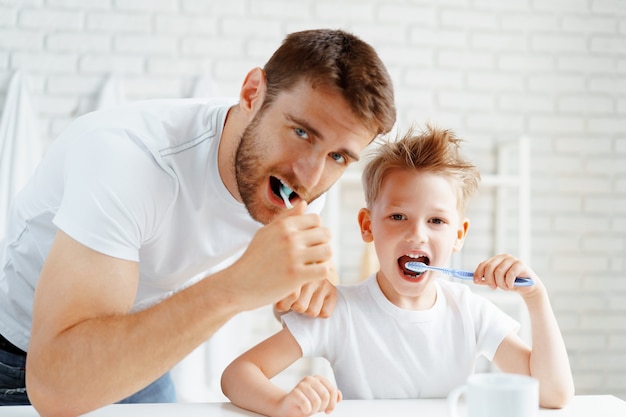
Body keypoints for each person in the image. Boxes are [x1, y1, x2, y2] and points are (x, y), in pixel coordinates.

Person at [0, 29, 396, 416]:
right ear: (251, 93)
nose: (310, 178)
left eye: (338, 157)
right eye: (301, 132)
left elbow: (289, 286)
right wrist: (234, 289)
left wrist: (303, 285)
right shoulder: (128, 161)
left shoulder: (300, 178)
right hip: (24, 360)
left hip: (143, 352)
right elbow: (54, 389)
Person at [221, 126, 575, 417]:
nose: (416, 234)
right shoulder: (340, 311)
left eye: (436, 220)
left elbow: (553, 394)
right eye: (398, 217)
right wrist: (282, 403)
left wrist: (536, 298)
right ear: (367, 225)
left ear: (459, 235)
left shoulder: (469, 312)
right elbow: (237, 375)